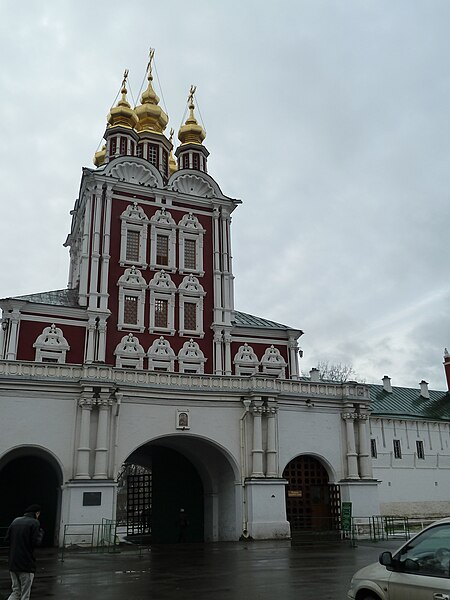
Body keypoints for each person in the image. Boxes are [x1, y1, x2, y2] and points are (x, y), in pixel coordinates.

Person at [5, 504, 44, 600]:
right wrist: (41, 533)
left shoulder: (15, 521)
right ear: (37, 513)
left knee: (16, 592)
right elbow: (36, 542)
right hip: (26, 564)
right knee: (25, 595)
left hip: (13, 563)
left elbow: (6, 540)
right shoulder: (35, 523)